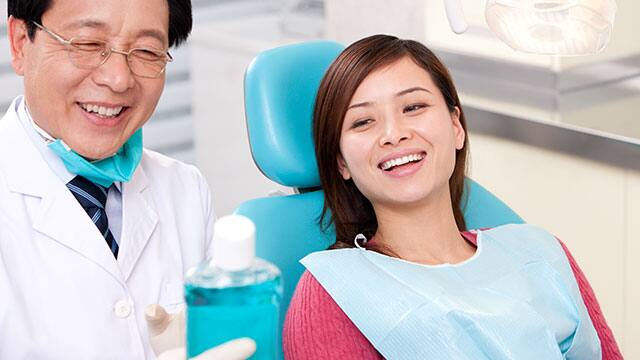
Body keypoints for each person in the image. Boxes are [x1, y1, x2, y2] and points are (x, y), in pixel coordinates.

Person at [283, 35, 623, 359]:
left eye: (413, 106)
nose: (394, 134)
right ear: (341, 161)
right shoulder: (335, 293)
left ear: (456, 126)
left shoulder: (542, 253)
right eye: (363, 122)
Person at [0, 0, 253, 358]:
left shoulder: (184, 189)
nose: (118, 79)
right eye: (88, 44)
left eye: (147, 51)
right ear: (20, 42)